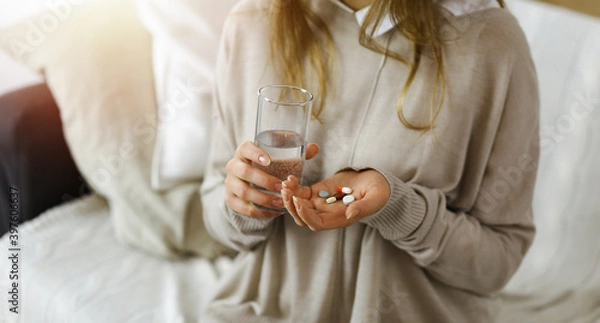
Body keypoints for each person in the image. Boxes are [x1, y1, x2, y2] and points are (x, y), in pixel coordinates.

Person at [200, 0, 539, 321]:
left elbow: (498, 263)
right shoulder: (252, 20)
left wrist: (401, 210)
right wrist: (248, 203)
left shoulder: (491, 44)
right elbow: (218, 217)